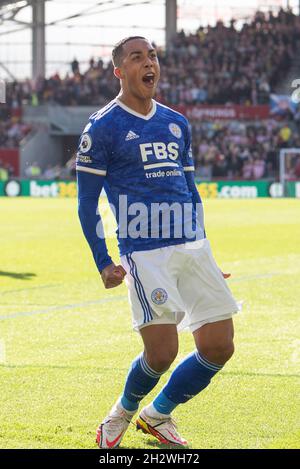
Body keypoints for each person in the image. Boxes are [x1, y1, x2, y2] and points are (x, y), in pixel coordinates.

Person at [76, 36, 239, 448]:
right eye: (137, 57)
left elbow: (191, 190)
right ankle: (121, 414)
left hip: (192, 246)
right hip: (145, 251)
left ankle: (157, 414)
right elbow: (86, 205)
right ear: (119, 71)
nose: (149, 63)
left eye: (152, 56)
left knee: (220, 346)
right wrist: (103, 261)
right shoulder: (102, 127)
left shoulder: (176, 122)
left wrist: (205, 249)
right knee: (162, 352)